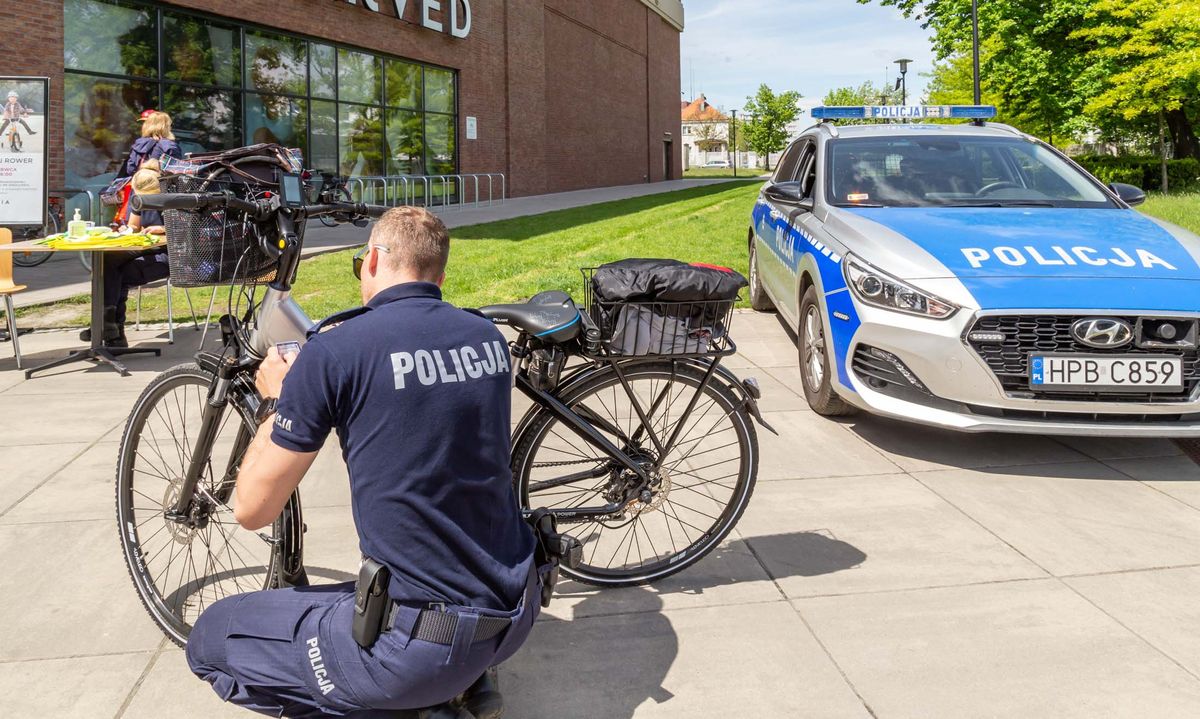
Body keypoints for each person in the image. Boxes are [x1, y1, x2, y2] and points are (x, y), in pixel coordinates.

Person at [186, 207, 538, 719]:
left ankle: (408, 706)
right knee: (354, 593)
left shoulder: (336, 351)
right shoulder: (486, 338)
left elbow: (250, 510)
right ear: (439, 274)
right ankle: (452, 684)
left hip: (417, 653)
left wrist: (275, 403)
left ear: (371, 259)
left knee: (212, 637)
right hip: (511, 617)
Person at [83, 161, 170, 347]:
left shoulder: (172, 198)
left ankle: (106, 326)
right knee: (109, 263)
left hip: (167, 255)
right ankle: (110, 329)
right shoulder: (138, 195)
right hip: (144, 248)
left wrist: (162, 229)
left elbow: (188, 232)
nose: (146, 203)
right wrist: (126, 228)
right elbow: (134, 225)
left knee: (111, 270)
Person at [115, 110, 181, 224]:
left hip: (139, 190)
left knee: (134, 228)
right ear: (166, 126)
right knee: (158, 234)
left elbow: (130, 169)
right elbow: (177, 172)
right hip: (160, 194)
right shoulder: (170, 146)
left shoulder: (138, 144)